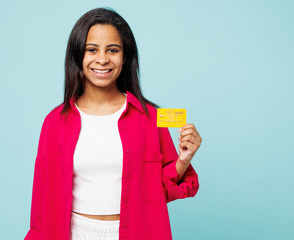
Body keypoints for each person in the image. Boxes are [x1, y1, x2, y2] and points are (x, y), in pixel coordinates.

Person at [24, 7, 201, 240]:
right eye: (92, 49)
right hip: (74, 233)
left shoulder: (150, 118)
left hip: (135, 233)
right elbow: (41, 202)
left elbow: (160, 191)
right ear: (78, 55)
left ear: (125, 56)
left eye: (113, 50)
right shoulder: (54, 122)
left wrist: (183, 160)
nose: (102, 59)